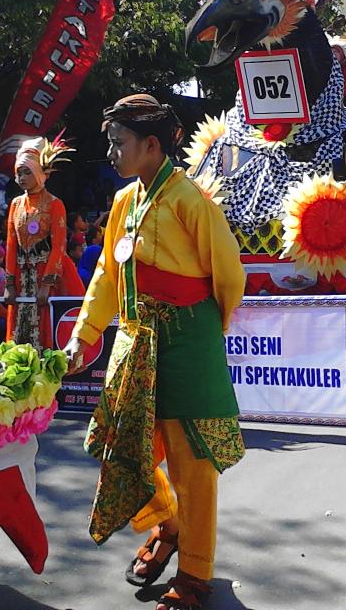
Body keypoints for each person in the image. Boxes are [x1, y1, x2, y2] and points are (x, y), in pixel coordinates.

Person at [64, 94, 246, 610]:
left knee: (193, 462)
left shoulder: (191, 200)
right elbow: (108, 272)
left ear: (150, 145)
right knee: (126, 447)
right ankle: (169, 524)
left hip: (187, 342)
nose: (110, 152)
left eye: (118, 142)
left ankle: (195, 574)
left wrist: (204, 332)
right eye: (109, 142)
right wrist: (85, 332)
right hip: (135, 341)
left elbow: (228, 275)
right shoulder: (124, 200)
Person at [4, 137, 86, 349]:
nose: (22, 177)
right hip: (22, 277)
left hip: (47, 275)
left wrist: (47, 284)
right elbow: (11, 244)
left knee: (47, 332)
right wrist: (9, 284)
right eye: (19, 173)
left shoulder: (54, 204)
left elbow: (59, 247)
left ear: (40, 173)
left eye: (27, 172)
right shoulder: (15, 204)